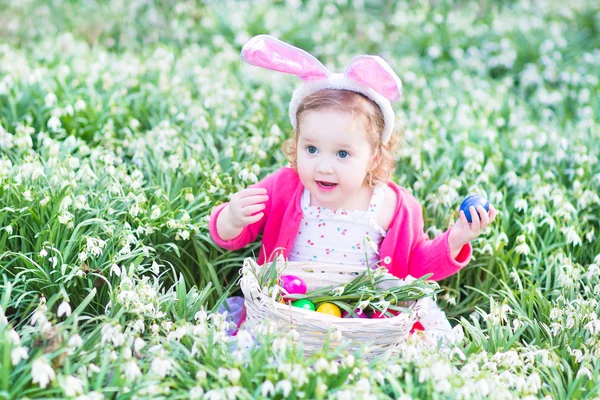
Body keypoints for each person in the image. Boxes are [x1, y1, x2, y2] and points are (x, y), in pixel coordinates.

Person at [210, 35, 497, 340]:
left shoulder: (394, 206)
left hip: (365, 319)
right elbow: (229, 237)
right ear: (296, 144)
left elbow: (417, 264)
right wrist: (232, 218)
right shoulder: (285, 187)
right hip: (289, 311)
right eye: (311, 149)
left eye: (343, 154)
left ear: (373, 158)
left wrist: (456, 239)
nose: (323, 166)